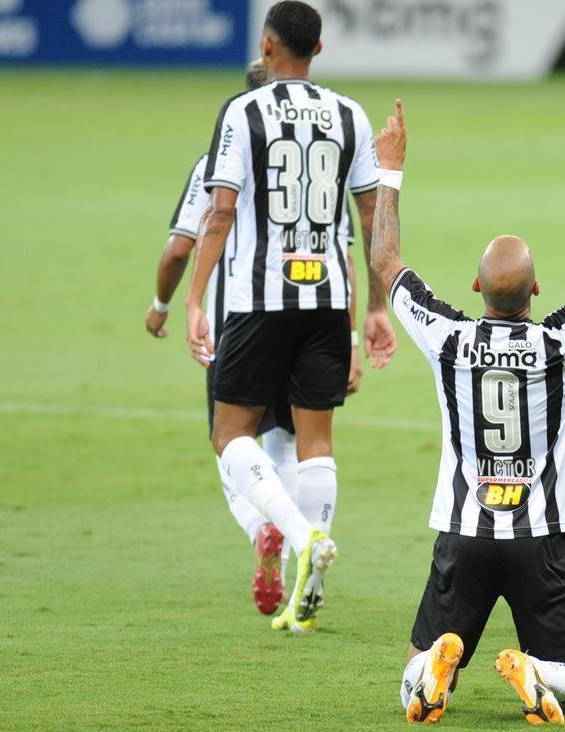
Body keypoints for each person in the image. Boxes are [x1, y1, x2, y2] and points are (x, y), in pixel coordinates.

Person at [366, 92, 565, 725]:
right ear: (536, 290)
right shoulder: (560, 342)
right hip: (540, 537)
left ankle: (439, 664)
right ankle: (539, 671)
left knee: (410, 689)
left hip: (464, 533)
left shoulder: (449, 340)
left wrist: (391, 169)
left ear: (475, 289)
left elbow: (385, 260)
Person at [184, 1, 398, 633]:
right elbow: (371, 220)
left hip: (256, 300)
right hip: (328, 298)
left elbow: (220, 211)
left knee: (230, 437)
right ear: (319, 51)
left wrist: (196, 300)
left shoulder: (243, 111)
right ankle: (314, 578)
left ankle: (302, 538)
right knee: (317, 444)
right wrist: (377, 309)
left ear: (267, 46)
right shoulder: (350, 114)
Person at [144, 59, 367, 617]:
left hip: (237, 324)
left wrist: (166, 305)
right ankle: (307, 572)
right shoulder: (329, 153)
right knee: (294, 442)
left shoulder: (214, 162)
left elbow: (179, 248)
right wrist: (356, 338)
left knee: (230, 441)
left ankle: (270, 531)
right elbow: (346, 249)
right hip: (320, 310)